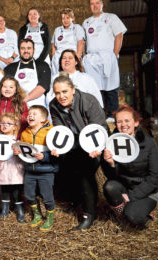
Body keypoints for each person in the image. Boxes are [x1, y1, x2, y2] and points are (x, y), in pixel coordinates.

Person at [49, 74, 108, 230]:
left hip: (94, 144)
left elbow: (100, 128)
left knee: (84, 172)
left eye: (65, 91)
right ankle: (76, 201)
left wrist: (97, 149)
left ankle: (89, 214)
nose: (61, 96)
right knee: (63, 164)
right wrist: (58, 149)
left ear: (73, 89)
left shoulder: (88, 101)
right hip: (74, 143)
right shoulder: (53, 105)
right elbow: (60, 130)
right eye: (57, 93)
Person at [100, 105, 158, 226]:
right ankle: (121, 216)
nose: (123, 125)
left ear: (136, 122)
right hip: (124, 186)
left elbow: (156, 176)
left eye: (127, 120)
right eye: (119, 122)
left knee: (134, 217)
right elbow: (110, 176)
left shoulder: (148, 143)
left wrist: (131, 196)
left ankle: (138, 214)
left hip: (145, 192)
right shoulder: (111, 143)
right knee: (109, 187)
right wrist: (111, 163)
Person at [82, 0, 127, 120]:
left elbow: (119, 35)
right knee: (96, 88)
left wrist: (114, 54)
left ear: (102, 4)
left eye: (97, 3)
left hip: (108, 56)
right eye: (92, 4)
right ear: (90, 6)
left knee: (111, 87)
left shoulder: (111, 17)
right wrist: (84, 56)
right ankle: (99, 115)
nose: (95, 6)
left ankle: (112, 115)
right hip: (92, 59)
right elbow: (83, 41)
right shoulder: (86, 22)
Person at [18, 105, 58, 231]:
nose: (30, 115)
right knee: (29, 195)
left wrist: (44, 157)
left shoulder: (51, 133)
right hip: (30, 170)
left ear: (43, 119)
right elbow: (23, 151)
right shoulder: (25, 133)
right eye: (29, 114)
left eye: (34, 114)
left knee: (47, 196)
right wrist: (18, 151)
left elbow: (56, 154)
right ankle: (38, 215)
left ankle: (49, 217)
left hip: (46, 171)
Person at [0, 113, 25, 223]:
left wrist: (19, 151)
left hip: (14, 169)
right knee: (4, 189)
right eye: (2, 123)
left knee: (16, 191)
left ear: (15, 126)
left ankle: (20, 211)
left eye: (8, 123)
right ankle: (5, 209)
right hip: (2, 168)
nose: (5, 125)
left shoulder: (17, 140)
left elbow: (23, 154)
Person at [4, 39, 51, 108]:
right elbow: (6, 87)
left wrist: (24, 100)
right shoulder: (10, 67)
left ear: (33, 50)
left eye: (29, 48)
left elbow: (43, 86)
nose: (26, 51)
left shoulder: (43, 65)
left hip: (37, 105)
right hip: (15, 104)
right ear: (19, 50)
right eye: (23, 48)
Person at [50, 8, 85, 76]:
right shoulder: (57, 30)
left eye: (67, 18)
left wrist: (76, 58)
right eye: (63, 18)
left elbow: (81, 43)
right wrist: (54, 57)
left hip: (72, 57)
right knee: (57, 79)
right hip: (58, 59)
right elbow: (53, 45)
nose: (65, 20)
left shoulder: (77, 28)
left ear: (72, 18)